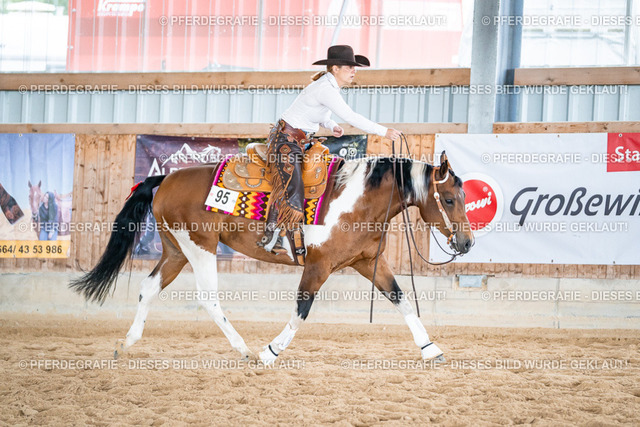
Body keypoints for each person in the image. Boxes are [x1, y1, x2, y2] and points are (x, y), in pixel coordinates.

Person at [260, 45, 402, 265]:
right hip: (286, 142)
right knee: (293, 187)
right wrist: (383, 131)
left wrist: (331, 124)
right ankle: (272, 236)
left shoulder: (328, 87)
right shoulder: (326, 88)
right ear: (335, 68)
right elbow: (351, 116)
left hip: (300, 140)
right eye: (349, 67)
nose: (354, 71)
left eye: (354, 67)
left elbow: (317, 113)